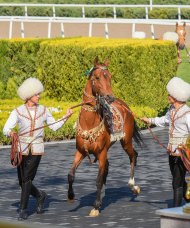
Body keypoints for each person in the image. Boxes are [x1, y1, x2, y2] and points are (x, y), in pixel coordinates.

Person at [3, 77, 73, 220]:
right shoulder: (18, 111)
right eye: (36, 94)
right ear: (29, 96)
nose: (39, 96)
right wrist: (11, 132)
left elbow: (54, 126)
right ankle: (40, 195)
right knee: (22, 182)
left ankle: (23, 210)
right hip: (21, 149)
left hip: (36, 149)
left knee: (27, 178)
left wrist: (65, 117)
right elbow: (6, 128)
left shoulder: (44, 110)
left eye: (39, 94)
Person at [141, 76, 190, 207]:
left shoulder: (187, 114)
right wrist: (150, 120)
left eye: (170, 94)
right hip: (171, 152)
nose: (168, 96)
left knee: (176, 183)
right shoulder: (172, 110)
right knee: (177, 179)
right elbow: (164, 120)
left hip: (183, 154)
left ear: (176, 96)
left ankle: (175, 211)